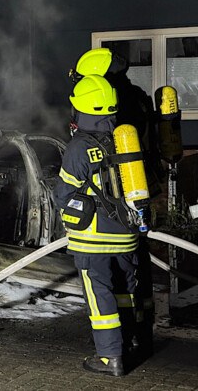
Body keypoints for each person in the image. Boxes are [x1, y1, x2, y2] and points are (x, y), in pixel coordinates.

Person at [71, 47, 156, 361]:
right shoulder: (135, 99)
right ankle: (138, 338)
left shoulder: (115, 109)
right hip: (136, 203)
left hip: (110, 212)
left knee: (108, 285)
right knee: (132, 278)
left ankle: (115, 351)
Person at [56, 74, 138, 377]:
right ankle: (129, 342)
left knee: (99, 293)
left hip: (94, 237)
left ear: (80, 108)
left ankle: (109, 356)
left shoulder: (79, 147)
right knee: (125, 291)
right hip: (127, 233)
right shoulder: (123, 138)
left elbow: (63, 194)